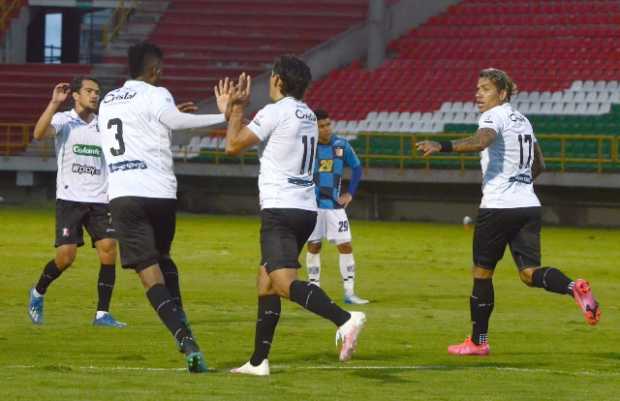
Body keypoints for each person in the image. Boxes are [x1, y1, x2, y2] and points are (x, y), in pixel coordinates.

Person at [417, 68, 601, 356]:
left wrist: (441, 145)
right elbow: (539, 163)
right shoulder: (523, 120)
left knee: (482, 274)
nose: (478, 94)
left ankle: (478, 342)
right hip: (528, 205)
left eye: (486, 89)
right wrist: (521, 183)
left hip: (498, 208)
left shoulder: (494, 115)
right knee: (529, 274)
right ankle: (572, 286)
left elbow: (481, 140)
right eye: (477, 88)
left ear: (502, 94)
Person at [222, 56, 366, 377]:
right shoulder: (307, 114)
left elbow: (232, 145)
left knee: (283, 283)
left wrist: (234, 109)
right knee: (266, 281)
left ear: (278, 80)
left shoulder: (275, 112)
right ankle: (259, 362)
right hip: (305, 208)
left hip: (280, 208)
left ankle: (345, 318)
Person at [98, 42, 229, 372]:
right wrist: (223, 115)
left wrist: (169, 118)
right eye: (162, 68)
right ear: (154, 69)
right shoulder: (157, 95)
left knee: (148, 271)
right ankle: (180, 312)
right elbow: (172, 122)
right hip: (160, 193)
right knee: (163, 257)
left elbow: (137, 129)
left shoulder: (108, 100)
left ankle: (185, 340)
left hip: (125, 193)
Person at [28, 76, 126, 328]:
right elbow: (38, 134)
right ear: (76, 95)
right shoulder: (63, 120)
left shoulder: (104, 124)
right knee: (66, 257)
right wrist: (52, 104)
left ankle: (102, 314)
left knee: (108, 250)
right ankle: (38, 292)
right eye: (90, 91)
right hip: (70, 200)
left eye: (98, 92)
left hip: (99, 201)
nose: (95, 95)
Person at [305, 109, 368, 304]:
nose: (326, 129)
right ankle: (313, 289)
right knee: (314, 246)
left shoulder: (342, 145)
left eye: (327, 125)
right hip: (311, 205)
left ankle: (349, 293)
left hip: (334, 206)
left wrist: (350, 193)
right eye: (321, 126)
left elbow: (357, 168)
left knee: (345, 245)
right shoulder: (307, 147)